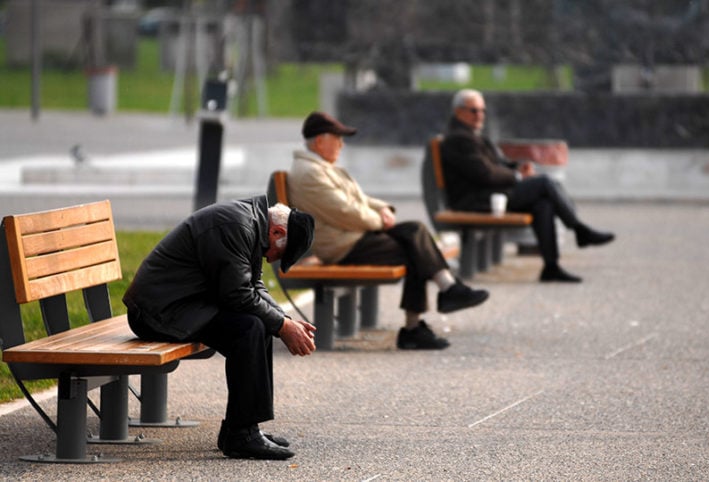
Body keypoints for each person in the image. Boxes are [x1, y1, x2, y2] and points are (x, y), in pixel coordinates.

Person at [123, 196, 316, 460]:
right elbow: (237, 295)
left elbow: (253, 287)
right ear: (277, 231)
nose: (271, 259)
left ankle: (244, 429)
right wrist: (283, 325)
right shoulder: (235, 226)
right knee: (249, 328)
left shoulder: (252, 224)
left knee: (262, 323)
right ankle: (241, 434)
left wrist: (284, 320)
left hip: (186, 306)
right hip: (158, 313)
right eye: (279, 253)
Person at [286, 111, 490, 350]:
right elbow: (345, 211)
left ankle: (444, 294)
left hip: (353, 236)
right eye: (337, 138)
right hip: (342, 246)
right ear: (320, 141)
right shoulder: (309, 173)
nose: (341, 144)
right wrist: (381, 222)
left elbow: (360, 200)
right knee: (415, 249)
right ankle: (421, 320)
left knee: (415, 231)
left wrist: (383, 209)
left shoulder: (320, 167)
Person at [440, 89, 615, 283]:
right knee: (545, 183)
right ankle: (579, 229)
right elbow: (484, 174)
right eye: (474, 110)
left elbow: (497, 163)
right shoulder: (459, 138)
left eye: (482, 111)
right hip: (475, 200)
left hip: (490, 195)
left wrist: (517, 166)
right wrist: (517, 176)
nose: (479, 115)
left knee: (543, 204)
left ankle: (551, 267)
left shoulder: (471, 135)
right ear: (458, 112)